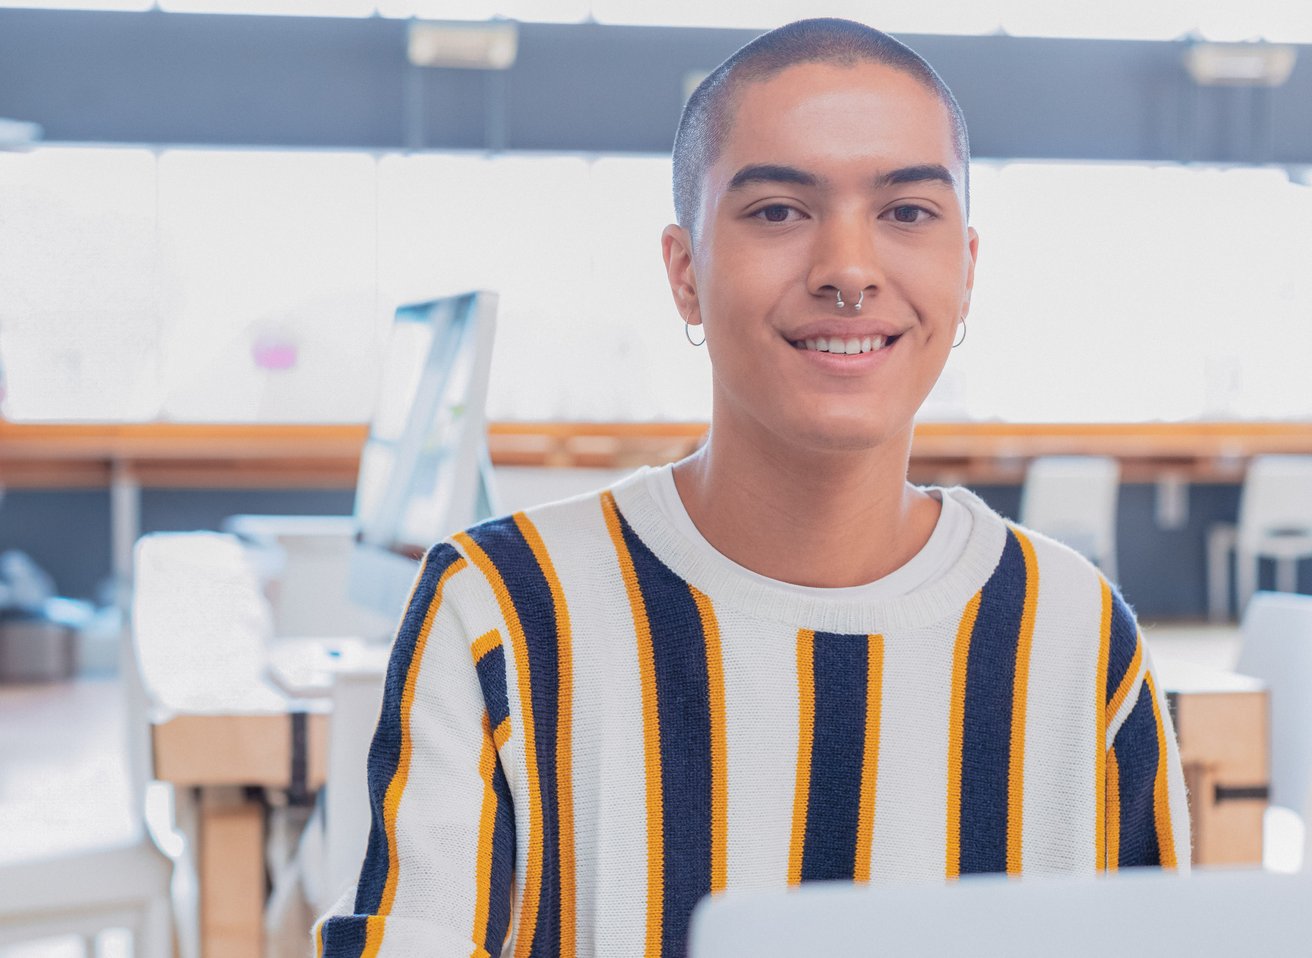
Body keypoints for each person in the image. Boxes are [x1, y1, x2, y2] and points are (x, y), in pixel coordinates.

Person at [315, 17, 1190, 958]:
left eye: (907, 213)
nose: (849, 271)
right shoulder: (497, 612)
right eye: (778, 210)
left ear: (966, 271)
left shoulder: (1078, 636)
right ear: (685, 273)